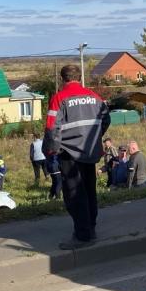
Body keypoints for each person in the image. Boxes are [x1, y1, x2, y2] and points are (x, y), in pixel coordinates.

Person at [42, 65, 110, 249]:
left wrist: (51, 152)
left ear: (62, 79)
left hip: (69, 153)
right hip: (90, 151)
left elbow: (51, 128)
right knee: (89, 190)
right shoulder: (95, 97)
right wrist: (94, 137)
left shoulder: (59, 98)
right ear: (79, 77)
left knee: (74, 194)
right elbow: (106, 119)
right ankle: (90, 227)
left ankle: (82, 236)